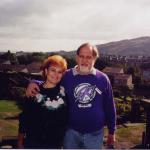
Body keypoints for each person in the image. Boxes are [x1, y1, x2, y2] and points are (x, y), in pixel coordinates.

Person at [26, 43, 116, 149]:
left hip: (95, 134)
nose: (84, 60)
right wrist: (33, 82)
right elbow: (50, 81)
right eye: (81, 56)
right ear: (77, 58)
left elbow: (110, 106)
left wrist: (112, 131)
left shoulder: (103, 79)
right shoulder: (67, 76)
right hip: (70, 132)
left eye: (88, 57)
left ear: (94, 59)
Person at [18, 55, 68, 149]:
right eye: (53, 70)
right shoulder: (34, 92)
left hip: (55, 145)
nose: (56, 74)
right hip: (33, 143)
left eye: (59, 72)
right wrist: (20, 142)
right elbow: (24, 118)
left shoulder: (65, 93)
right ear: (46, 71)